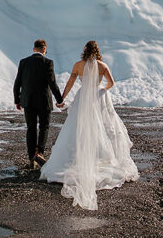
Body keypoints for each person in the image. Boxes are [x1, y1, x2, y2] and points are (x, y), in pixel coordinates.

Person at [40, 40, 139, 210]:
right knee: (102, 128)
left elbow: (71, 83)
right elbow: (111, 83)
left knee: (78, 128)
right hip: (98, 98)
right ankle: (102, 159)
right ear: (98, 51)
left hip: (83, 97)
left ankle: (75, 159)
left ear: (85, 50)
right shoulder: (102, 65)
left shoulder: (78, 65)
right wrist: (102, 90)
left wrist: (62, 98)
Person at [13, 39, 64, 169]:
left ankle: (31, 158)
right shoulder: (48, 62)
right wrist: (59, 100)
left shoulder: (23, 62)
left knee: (31, 128)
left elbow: (17, 83)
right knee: (44, 127)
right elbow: (52, 83)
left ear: (33, 49)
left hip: (28, 101)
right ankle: (39, 153)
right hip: (44, 101)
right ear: (44, 50)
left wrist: (17, 100)